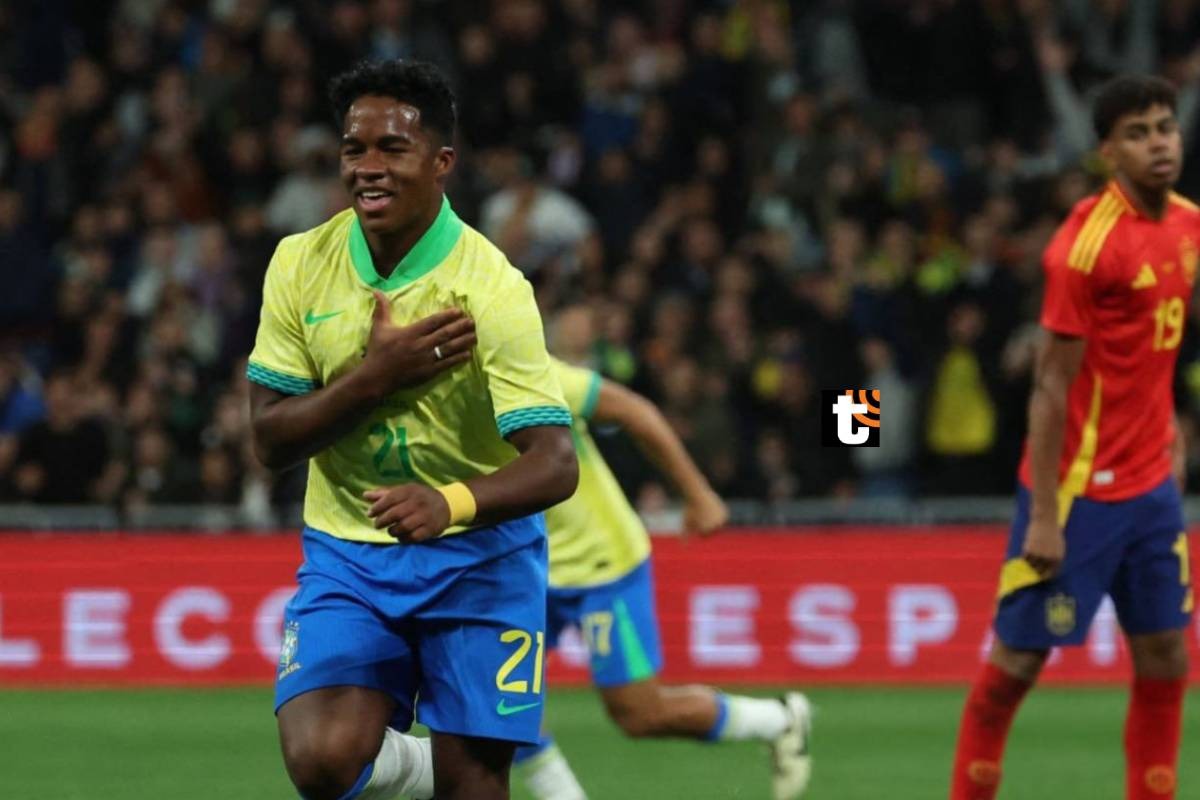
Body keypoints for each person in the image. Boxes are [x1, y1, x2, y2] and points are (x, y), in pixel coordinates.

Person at [246, 59, 578, 800]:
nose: (367, 168)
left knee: (475, 790)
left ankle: (466, 770)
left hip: (480, 561)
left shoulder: (492, 288)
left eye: (391, 149)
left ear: (441, 162)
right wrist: (374, 377)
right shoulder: (300, 264)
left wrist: (450, 501)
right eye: (352, 149)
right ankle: (449, 767)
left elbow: (556, 463)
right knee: (322, 761)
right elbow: (269, 441)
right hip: (350, 556)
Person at [950, 75, 1197, 800]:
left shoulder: (1188, 224)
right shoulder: (1082, 251)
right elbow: (1051, 387)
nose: (1158, 144)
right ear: (1106, 152)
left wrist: (1172, 429)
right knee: (1016, 670)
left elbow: (1158, 349)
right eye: (1137, 133)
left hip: (1151, 486)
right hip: (1080, 492)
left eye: (1165, 128)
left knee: (1165, 657)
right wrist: (1050, 514)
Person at [511, 307, 813, 800]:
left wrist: (698, 495)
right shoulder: (430, 405)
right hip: (525, 571)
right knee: (498, 705)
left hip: (600, 565)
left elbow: (637, 412)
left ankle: (778, 719)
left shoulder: (537, 379)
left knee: (639, 714)